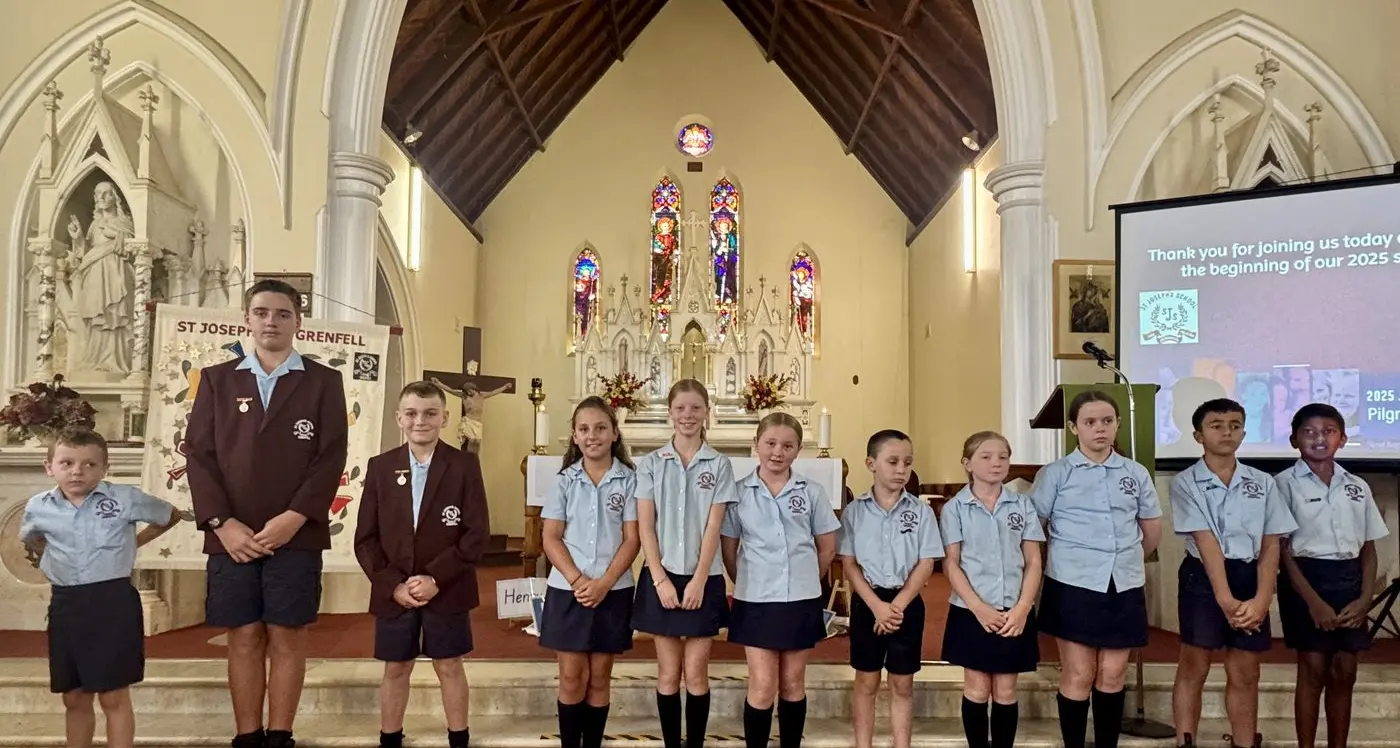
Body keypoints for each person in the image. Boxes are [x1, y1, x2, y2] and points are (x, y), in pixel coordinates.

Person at [187, 278, 349, 748]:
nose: (270, 322)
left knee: (287, 634)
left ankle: (280, 735)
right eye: (261, 312)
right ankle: (247, 736)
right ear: (247, 319)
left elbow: (330, 456)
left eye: (281, 314)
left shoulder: (323, 381)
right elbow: (199, 455)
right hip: (231, 536)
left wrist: (296, 515)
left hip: (295, 533)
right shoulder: (218, 380)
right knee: (242, 635)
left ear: (298, 322)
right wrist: (223, 523)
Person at [18, 430, 180, 748]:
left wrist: (134, 543)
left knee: (112, 693)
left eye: (90, 463)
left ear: (105, 467)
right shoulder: (39, 506)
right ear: (49, 466)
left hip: (112, 603)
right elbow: (32, 539)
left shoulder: (124, 498)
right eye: (67, 462)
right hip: (66, 604)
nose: (78, 470)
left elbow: (169, 515)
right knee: (74, 696)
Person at [354, 381, 490, 748]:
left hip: (447, 586)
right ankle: (390, 738)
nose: (420, 421)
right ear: (399, 418)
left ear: (445, 418)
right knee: (396, 667)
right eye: (412, 413)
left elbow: (476, 534)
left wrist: (435, 578)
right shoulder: (381, 468)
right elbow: (365, 539)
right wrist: (394, 585)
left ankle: (459, 739)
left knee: (449, 665)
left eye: (430, 413)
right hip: (395, 590)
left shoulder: (464, 466)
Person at [1030, 389, 1163, 748]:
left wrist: (1124, 558)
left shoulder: (1134, 473)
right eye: (1090, 422)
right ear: (1074, 427)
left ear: (1118, 424)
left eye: (1107, 421)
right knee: (1079, 673)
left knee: (1113, 673)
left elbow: (1151, 530)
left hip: (1124, 582)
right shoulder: (1056, 473)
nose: (1099, 429)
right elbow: (1033, 529)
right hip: (1072, 583)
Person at [1169, 398, 1297, 748]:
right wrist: (1225, 600)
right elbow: (1205, 540)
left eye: (1235, 425)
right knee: (1194, 664)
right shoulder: (1186, 482)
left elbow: (1272, 543)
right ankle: (1185, 741)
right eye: (1217, 425)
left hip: (1250, 575)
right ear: (1198, 435)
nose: (1227, 432)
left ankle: (1244, 741)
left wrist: (1261, 600)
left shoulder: (1262, 482)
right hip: (1203, 578)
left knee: (1246, 671)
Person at [721, 412, 840, 748]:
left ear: (798, 450)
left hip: (800, 599)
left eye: (787, 445)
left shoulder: (812, 492)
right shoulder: (740, 493)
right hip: (755, 599)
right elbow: (730, 549)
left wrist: (802, 579)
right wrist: (746, 580)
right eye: (770, 443)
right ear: (756, 445)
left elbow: (827, 547)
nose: (778, 451)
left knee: (792, 682)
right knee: (761, 684)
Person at [632, 379, 738, 748]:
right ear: (670, 412)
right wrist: (659, 578)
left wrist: (697, 581)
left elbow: (714, 526)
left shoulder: (720, 464)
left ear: (707, 412)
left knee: (695, 673)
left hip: (701, 578)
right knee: (666, 674)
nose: (687, 415)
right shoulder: (650, 464)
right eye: (680, 408)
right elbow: (646, 524)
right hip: (661, 575)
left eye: (695, 408)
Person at [1277, 403, 1386, 748]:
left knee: (1345, 672)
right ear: (1294, 440)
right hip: (1306, 580)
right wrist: (1313, 603)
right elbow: (1282, 551)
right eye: (1309, 432)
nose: (1319, 438)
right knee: (1312, 670)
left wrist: (1365, 598)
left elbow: (1368, 550)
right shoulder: (1282, 485)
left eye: (1328, 431)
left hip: (1350, 580)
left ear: (1342, 438)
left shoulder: (1357, 486)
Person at [540, 396, 641, 748]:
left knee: (600, 676)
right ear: (574, 436)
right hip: (569, 590)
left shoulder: (629, 481)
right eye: (584, 429)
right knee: (570, 676)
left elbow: (632, 539)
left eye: (600, 428)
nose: (592, 435)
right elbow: (550, 537)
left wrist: (604, 583)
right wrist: (579, 580)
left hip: (612, 591)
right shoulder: (564, 481)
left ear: (615, 433)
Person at [839, 429, 943, 748]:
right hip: (868, 603)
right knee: (867, 680)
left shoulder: (921, 512)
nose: (901, 470)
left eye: (907, 463)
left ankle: (901, 743)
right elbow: (849, 563)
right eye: (893, 461)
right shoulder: (855, 511)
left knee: (902, 681)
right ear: (871, 463)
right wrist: (877, 606)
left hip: (906, 602)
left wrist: (896, 606)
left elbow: (926, 563)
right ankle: (863, 744)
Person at [940, 431, 1044, 748]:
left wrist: (1023, 608)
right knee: (976, 688)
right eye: (986, 456)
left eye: (1003, 456)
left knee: (1005, 689)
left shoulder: (1022, 505)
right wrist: (979, 608)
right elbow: (951, 564)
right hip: (971, 609)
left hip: (1014, 609)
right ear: (967, 463)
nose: (996, 463)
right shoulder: (955, 508)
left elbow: (1033, 561)